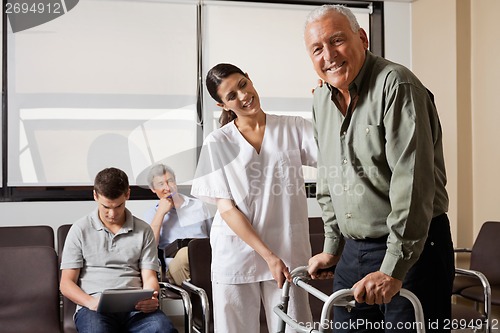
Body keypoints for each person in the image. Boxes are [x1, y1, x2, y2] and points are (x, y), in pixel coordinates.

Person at [304, 5, 454, 332]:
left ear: (362, 38)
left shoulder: (397, 86)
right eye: (317, 48)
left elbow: (412, 185)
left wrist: (393, 268)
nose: (328, 55)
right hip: (354, 251)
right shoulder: (320, 102)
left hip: (413, 247)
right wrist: (333, 247)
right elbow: (329, 177)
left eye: (337, 41)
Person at [190, 63, 317, 332]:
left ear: (249, 78)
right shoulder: (218, 142)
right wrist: (269, 256)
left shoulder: (293, 127)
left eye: (242, 85)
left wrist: (328, 104)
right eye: (231, 96)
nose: (243, 96)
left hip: (287, 251)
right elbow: (226, 209)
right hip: (237, 254)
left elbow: (336, 152)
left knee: (295, 328)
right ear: (222, 105)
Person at [60, 167, 177, 333]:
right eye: (106, 207)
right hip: (94, 309)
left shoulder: (144, 230)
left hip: (136, 309)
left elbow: (149, 277)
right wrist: (90, 303)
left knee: (163, 329)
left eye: (118, 206)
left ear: (127, 194)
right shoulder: (80, 229)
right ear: (95, 196)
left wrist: (151, 296)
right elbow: (66, 284)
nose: (112, 213)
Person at [144, 163, 212, 285]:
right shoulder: (152, 214)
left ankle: (205, 301)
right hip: (175, 265)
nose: (167, 188)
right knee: (184, 254)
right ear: (153, 189)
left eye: (170, 181)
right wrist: (161, 213)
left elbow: (213, 236)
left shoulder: (198, 205)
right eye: (160, 184)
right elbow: (150, 248)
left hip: (206, 259)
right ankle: (203, 301)